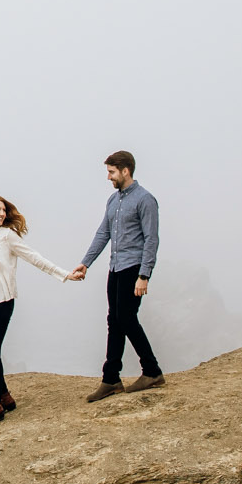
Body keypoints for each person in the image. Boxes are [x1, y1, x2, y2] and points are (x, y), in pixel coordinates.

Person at [0, 194, 74, 427]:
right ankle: (5, 395)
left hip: (2, 301)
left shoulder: (8, 237)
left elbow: (35, 258)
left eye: (3, 210)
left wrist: (64, 274)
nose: (2, 214)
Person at [68, 151, 163, 400]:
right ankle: (111, 379)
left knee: (126, 318)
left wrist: (144, 275)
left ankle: (151, 371)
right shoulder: (113, 201)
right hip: (115, 268)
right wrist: (85, 263)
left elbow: (152, 240)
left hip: (134, 268)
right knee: (115, 320)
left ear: (125, 171)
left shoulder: (146, 200)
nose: (109, 177)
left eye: (111, 172)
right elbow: (103, 233)